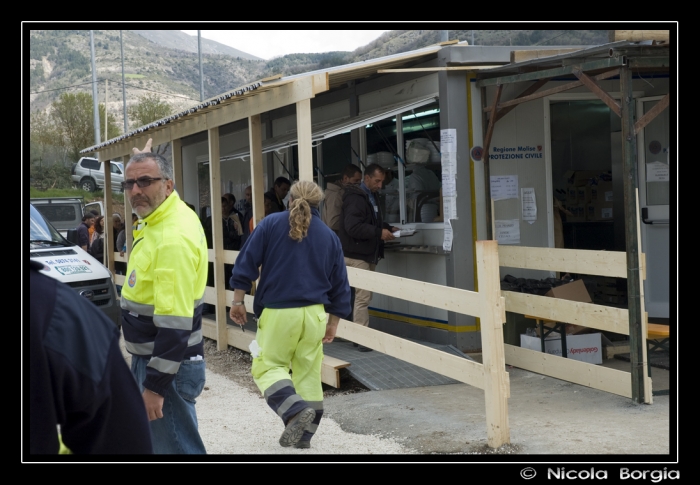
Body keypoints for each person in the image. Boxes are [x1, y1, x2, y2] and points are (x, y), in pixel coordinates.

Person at [229, 180, 351, 450]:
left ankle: (294, 412)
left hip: (279, 312)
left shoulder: (271, 224)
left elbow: (246, 262)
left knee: (268, 366)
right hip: (315, 316)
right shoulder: (329, 236)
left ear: (288, 199)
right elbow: (340, 284)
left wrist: (237, 300)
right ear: (320, 204)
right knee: (308, 373)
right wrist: (333, 323)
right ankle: (304, 436)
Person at [120, 149, 209, 454]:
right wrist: (145, 160)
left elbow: (174, 323)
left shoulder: (171, 238)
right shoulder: (166, 213)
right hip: (163, 361)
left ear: (168, 185)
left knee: (178, 451)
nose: (135, 191)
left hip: (165, 366)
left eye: (145, 181)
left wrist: (155, 386)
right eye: (129, 183)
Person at [28, 259, 153, 455]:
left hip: (152, 351)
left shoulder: (60, 315)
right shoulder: (57, 311)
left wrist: (159, 381)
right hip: (142, 349)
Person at [339, 163, 399, 352]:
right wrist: (378, 232)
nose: (380, 185)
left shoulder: (368, 196)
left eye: (382, 181)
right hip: (357, 255)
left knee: (359, 296)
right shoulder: (358, 198)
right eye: (377, 181)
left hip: (361, 253)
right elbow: (353, 227)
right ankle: (361, 338)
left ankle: (353, 334)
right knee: (363, 297)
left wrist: (386, 227)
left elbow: (367, 221)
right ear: (366, 178)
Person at [322, 164, 362, 235]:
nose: (358, 183)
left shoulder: (343, 192)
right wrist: (353, 225)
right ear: (345, 178)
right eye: (356, 180)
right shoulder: (336, 195)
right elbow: (333, 223)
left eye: (360, 181)